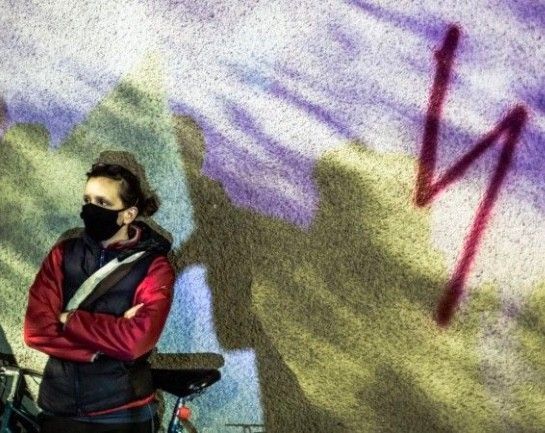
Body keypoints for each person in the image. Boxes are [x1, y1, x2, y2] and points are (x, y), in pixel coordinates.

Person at [23, 161, 176, 433]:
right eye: (87, 200)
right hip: (60, 408)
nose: (91, 209)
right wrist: (98, 350)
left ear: (128, 214)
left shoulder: (154, 267)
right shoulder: (63, 254)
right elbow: (36, 331)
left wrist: (69, 320)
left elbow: (134, 342)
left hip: (120, 413)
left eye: (103, 203)